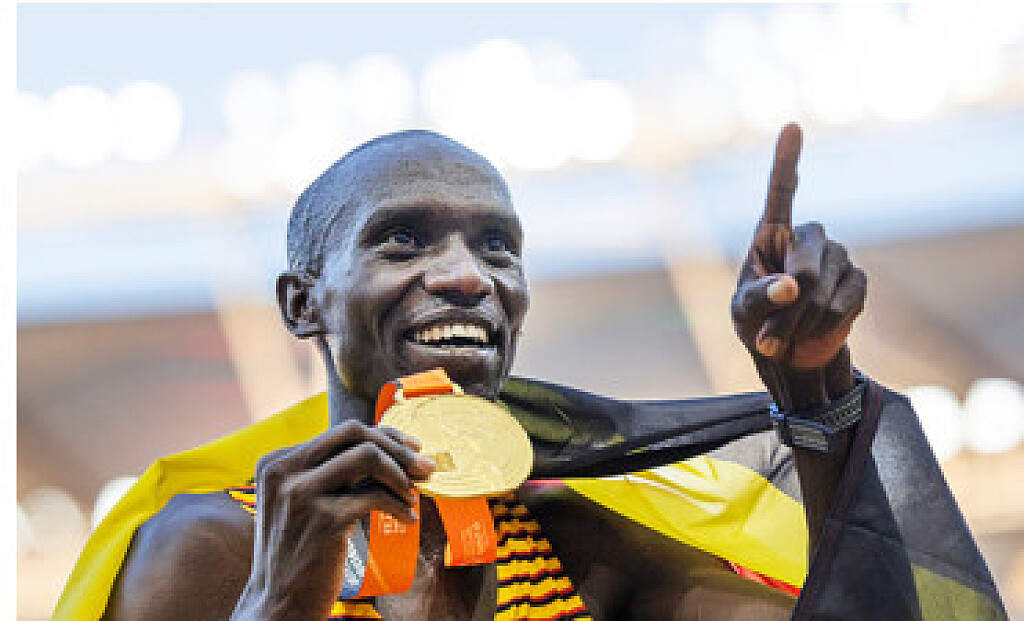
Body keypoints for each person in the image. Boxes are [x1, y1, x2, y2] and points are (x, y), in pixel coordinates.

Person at [63, 125, 1004, 620]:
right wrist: (275, 605)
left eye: (498, 246)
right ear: (302, 304)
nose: (468, 275)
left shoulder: (575, 543)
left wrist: (816, 392)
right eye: (403, 239)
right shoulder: (212, 546)